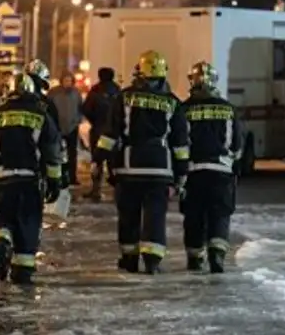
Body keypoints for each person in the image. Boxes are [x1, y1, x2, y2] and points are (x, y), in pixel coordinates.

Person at [95, 50, 189, 274]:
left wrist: (99, 160)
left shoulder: (124, 98)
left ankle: (129, 258)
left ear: (139, 73)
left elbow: (110, 134)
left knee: (128, 214)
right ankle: (152, 259)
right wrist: (181, 174)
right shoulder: (173, 103)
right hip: (160, 170)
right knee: (155, 215)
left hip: (129, 168)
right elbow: (180, 144)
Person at [0, 72, 65, 285]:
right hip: (29, 181)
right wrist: (55, 181)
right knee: (28, 224)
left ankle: (1, 241)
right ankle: (23, 270)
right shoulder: (40, 115)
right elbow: (52, 151)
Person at [179, 61, 243, 274]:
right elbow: (237, 145)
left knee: (194, 216)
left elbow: (179, 141)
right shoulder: (228, 109)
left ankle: (195, 257)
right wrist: (233, 165)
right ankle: (217, 253)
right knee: (220, 214)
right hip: (222, 172)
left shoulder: (184, 109)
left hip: (194, 173)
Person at [24, 59, 69, 183]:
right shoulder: (45, 103)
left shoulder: (9, 102)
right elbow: (54, 135)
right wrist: (62, 171)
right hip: (39, 157)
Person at [82, 67, 120, 201]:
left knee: (97, 161)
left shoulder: (95, 91)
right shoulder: (118, 91)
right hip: (114, 133)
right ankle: (117, 190)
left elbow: (86, 109)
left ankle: (96, 189)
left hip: (98, 131)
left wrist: (95, 122)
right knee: (113, 162)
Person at [47, 71, 85, 186]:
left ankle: (72, 177)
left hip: (72, 127)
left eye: (69, 81)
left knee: (72, 154)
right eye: (65, 80)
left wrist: (78, 120)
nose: (67, 83)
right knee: (57, 154)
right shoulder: (53, 93)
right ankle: (59, 177)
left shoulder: (76, 93)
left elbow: (80, 108)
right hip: (57, 127)